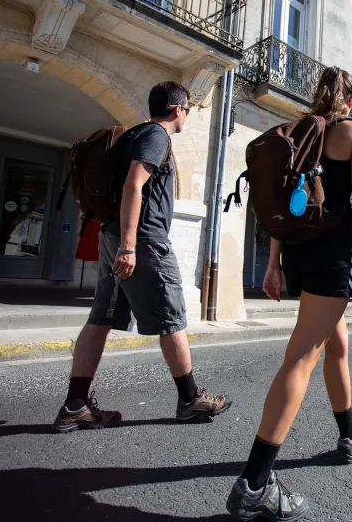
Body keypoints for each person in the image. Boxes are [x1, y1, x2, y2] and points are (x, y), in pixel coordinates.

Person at [226, 67, 352, 521]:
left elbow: (287, 201)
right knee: (301, 356)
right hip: (333, 254)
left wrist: (273, 262)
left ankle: (349, 434)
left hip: (298, 251)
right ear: (351, 100)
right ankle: (255, 483)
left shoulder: (302, 134)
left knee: (337, 344)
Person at [53, 81, 231, 433]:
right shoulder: (156, 136)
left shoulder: (136, 134)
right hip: (143, 242)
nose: (186, 116)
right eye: (187, 110)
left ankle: (75, 405)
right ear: (178, 109)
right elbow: (133, 186)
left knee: (100, 319)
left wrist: (122, 243)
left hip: (114, 235)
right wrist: (129, 246)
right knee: (171, 317)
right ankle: (190, 399)